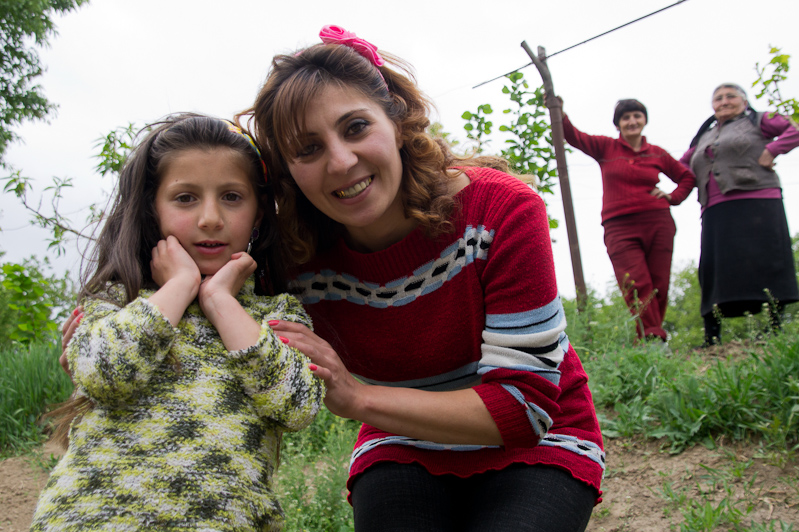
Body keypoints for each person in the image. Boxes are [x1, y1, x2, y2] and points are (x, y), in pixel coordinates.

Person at [243, 25, 604, 531]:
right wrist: (114, 309)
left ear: (396, 120)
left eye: (354, 128)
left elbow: (523, 410)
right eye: (307, 149)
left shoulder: (499, 209)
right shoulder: (292, 258)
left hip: (542, 440)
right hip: (401, 441)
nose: (341, 162)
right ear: (286, 171)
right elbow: (195, 268)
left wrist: (357, 398)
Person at [35, 114, 324, 532]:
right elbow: (104, 373)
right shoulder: (118, 300)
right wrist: (182, 285)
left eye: (231, 196)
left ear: (258, 212)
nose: (210, 217)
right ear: (153, 209)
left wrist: (220, 301)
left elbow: (297, 405)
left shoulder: (274, 315)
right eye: (185, 198)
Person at [559, 98, 696, 343]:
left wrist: (672, 197)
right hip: (619, 226)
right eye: (626, 118)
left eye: (637, 116)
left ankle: (649, 337)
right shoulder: (606, 148)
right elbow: (574, 136)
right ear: (618, 124)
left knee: (659, 284)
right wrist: (560, 113)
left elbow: (686, 177)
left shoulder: (657, 153)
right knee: (635, 283)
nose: (632, 121)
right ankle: (653, 337)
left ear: (644, 120)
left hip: (658, 222)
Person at [680, 83, 799, 346]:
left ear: (744, 101)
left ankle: (774, 328)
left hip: (758, 202)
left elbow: (795, 129)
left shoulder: (759, 120)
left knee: (765, 262)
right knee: (713, 269)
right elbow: (680, 166)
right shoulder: (704, 136)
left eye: (730, 96)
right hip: (714, 209)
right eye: (718, 98)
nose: (724, 101)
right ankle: (712, 336)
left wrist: (772, 150)